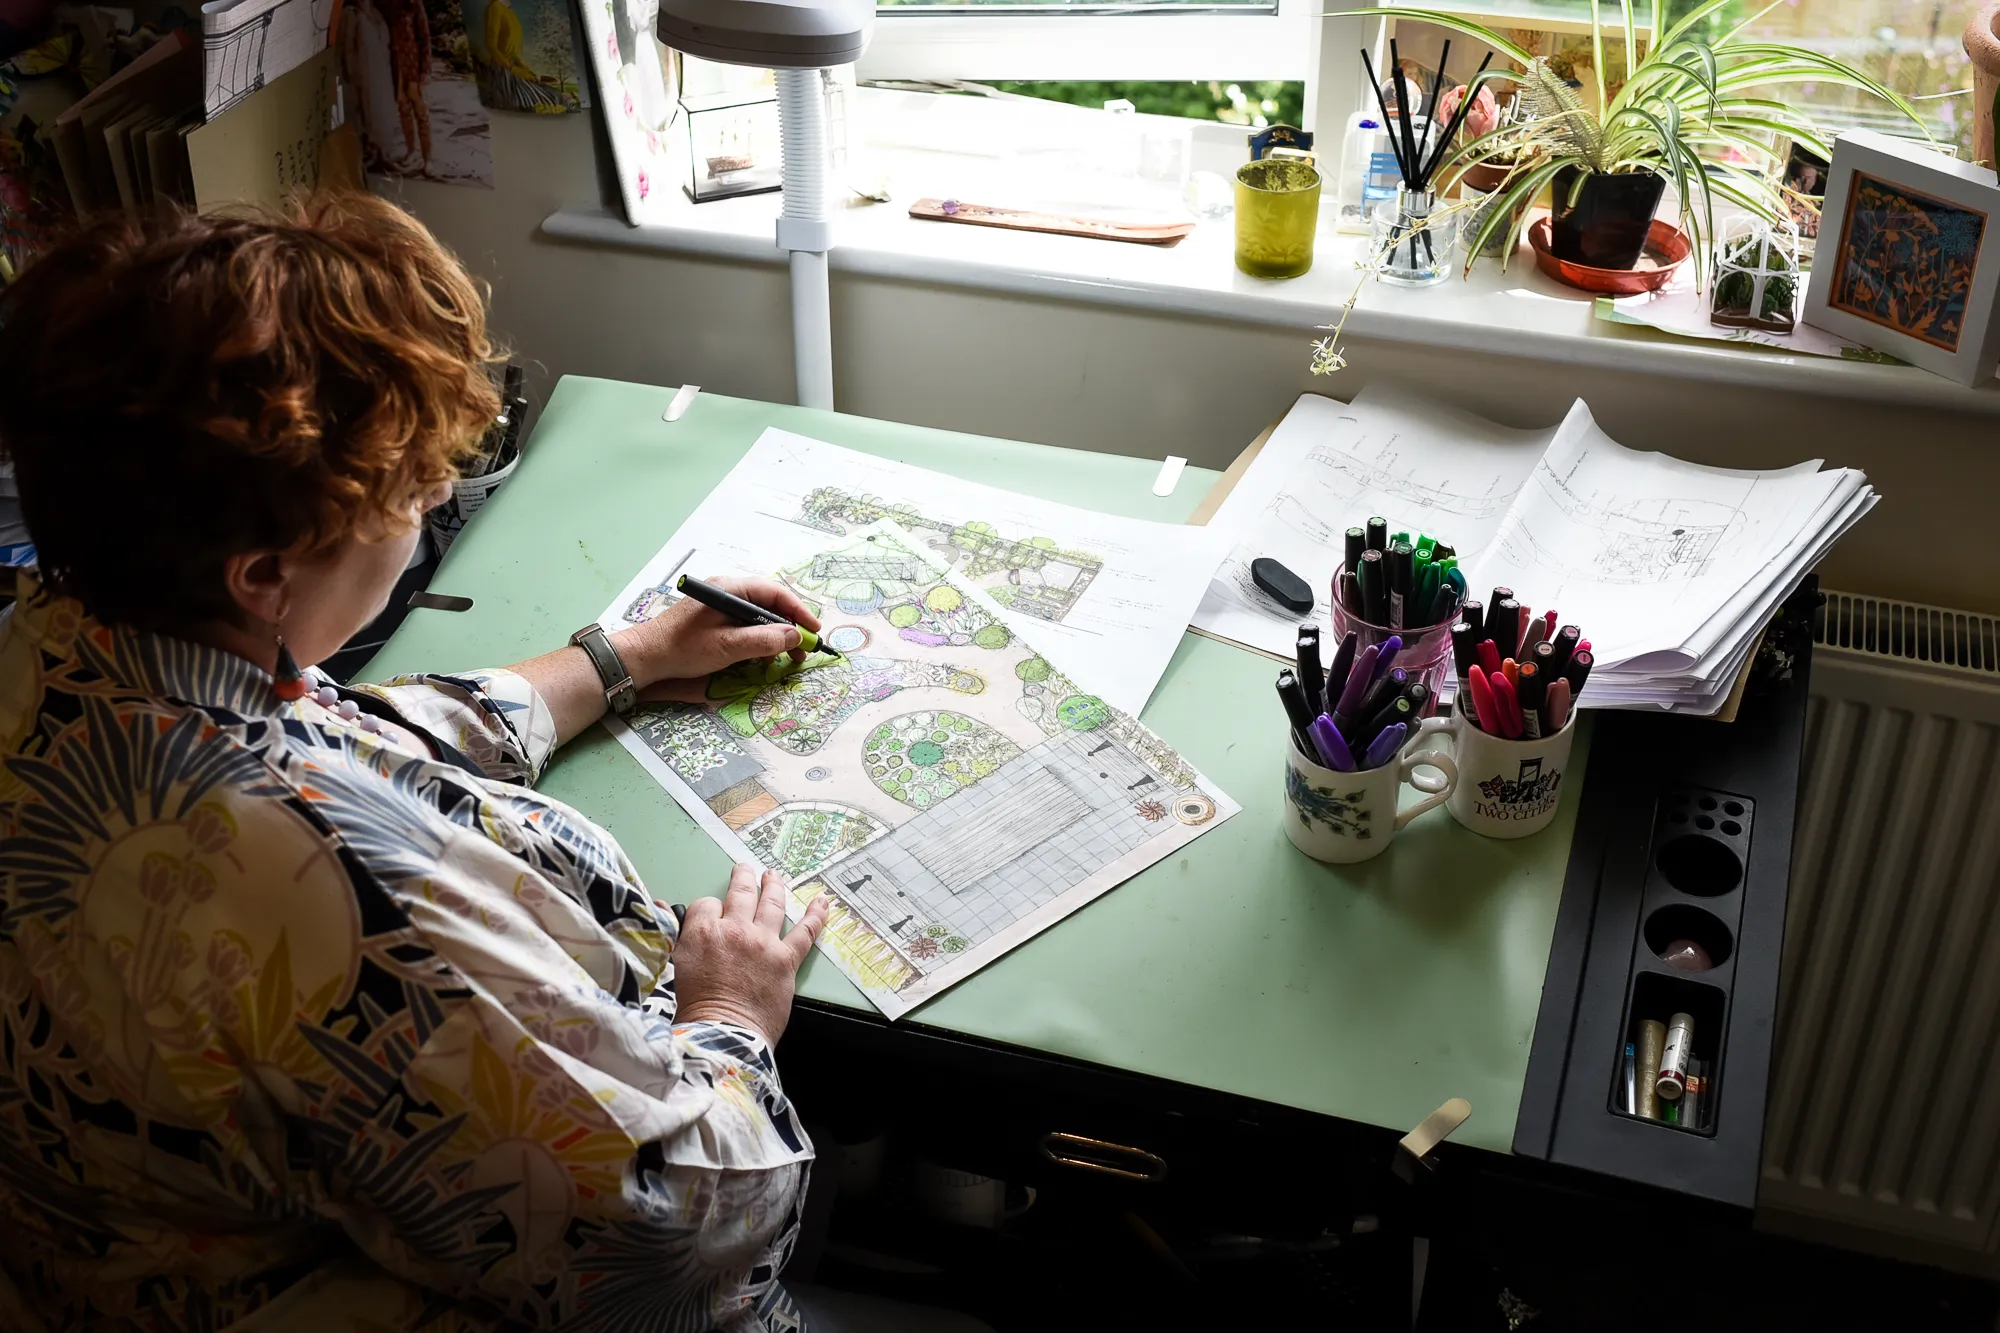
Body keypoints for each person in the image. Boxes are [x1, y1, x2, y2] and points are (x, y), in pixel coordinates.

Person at [0, 196, 837, 1331]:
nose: (436, 494)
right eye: (402, 488)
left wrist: (616, 658)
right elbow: (667, 1222)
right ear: (261, 576)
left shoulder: (57, 636)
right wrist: (729, 1014)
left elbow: (333, 734)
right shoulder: (333, 898)